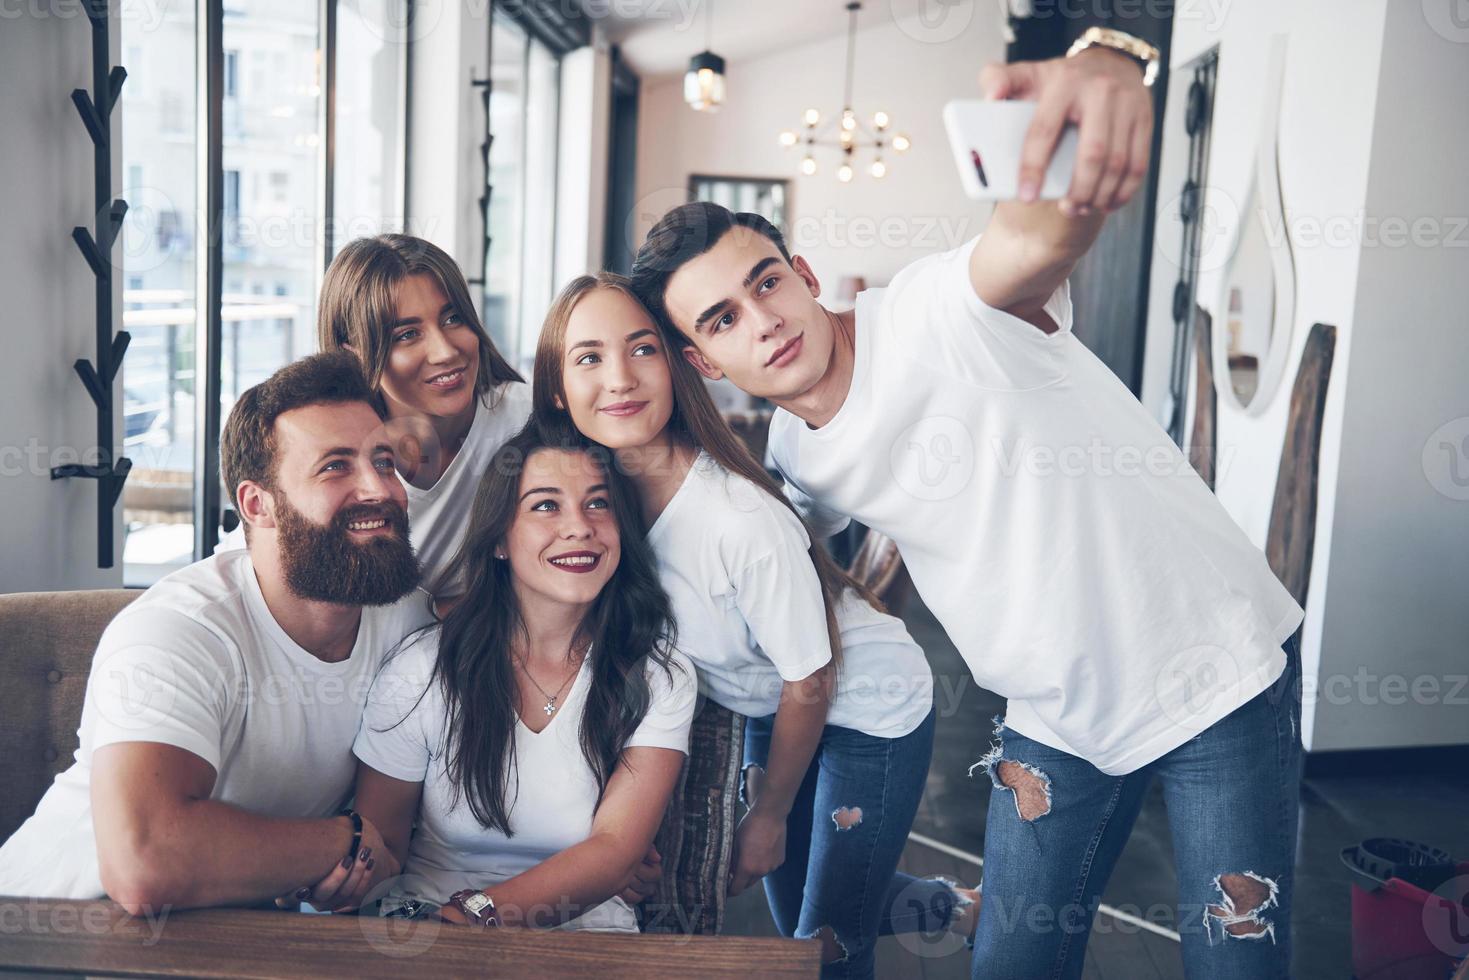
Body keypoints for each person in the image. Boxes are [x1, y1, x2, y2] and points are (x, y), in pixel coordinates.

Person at [627, 46, 1305, 979]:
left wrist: (1097, 88)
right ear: (705, 362)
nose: (762, 321)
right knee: (1008, 966)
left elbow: (1032, 238)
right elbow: (769, 556)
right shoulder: (796, 453)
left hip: (1214, 666)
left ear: (805, 273)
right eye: (721, 320)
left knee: (1235, 965)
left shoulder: (941, 311)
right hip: (1056, 715)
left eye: (766, 282)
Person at [532, 274, 976, 976]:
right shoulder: (591, 501)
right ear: (556, 389)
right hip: (771, 695)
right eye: (588, 357)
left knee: (824, 942)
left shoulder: (736, 519)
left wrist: (766, 815)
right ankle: (956, 909)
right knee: (801, 892)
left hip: (864, 708)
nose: (618, 378)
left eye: (641, 349)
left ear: (677, 365)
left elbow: (812, 677)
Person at [0, 352, 431, 914]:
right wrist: (341, 840)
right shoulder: (178, 630)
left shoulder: (403, 621)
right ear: (258, 505)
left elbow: (387, 848)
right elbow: (144, 864)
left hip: (217, 938)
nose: (379, 489)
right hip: (47, 933)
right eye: (335, 467)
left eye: (383, 460)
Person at [350, 422, 697, 931]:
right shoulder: (421, 668)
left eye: (598, 504)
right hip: (427, 927)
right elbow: (381, 847)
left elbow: (615, 851)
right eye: (546, 505)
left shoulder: (660, 676)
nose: (580, 527)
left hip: (583, 932)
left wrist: (475, 916)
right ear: (500, 542)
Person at [218, 234, 531, 595]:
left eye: (453, 318)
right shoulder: (338, 451)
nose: (445, 351)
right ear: (353, 352)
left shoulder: (525, 417)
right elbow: (243, 561)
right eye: (408, 334)